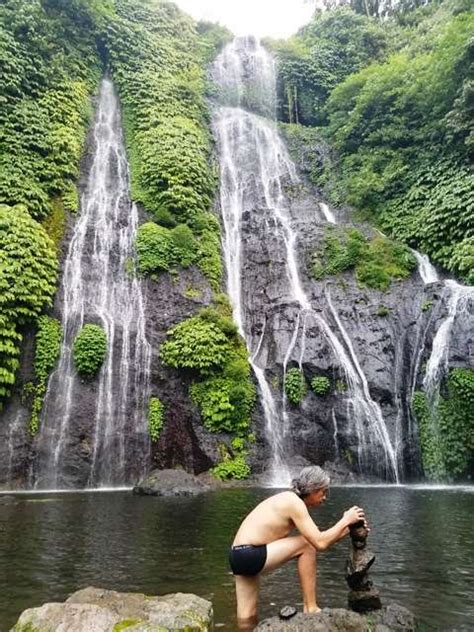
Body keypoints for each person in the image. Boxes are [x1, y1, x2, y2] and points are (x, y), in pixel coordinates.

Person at [228, 466, 368, 628]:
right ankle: (311, 608)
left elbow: (322, 539)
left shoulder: (289, 499)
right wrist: (345, 520)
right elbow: (319, 543)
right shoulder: (293, 503)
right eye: (323, 492)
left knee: (247, 617)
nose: (325, 498)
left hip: (238, 556)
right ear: (313, 489)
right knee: (306, 545)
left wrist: (350, 528)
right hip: (250, 554)